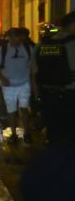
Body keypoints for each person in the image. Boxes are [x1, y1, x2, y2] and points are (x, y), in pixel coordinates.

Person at [35, 12, 75, 145]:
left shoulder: (42, 45)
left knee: (53, 130)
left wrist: (37, 95)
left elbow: (34, 72)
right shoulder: (71, 44)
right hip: (70, 93)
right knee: (69, 131)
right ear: (72, 25)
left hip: (48, 94)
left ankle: (54, 157)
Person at [0, 27, 36, 144]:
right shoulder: (3, 49)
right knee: (11, 110)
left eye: (15, 36)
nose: (13, 39)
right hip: (8, 85)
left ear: (20, 37)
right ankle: (13, 134)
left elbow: (32, 68)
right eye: (10, 37)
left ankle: (27, 133)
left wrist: (33, 84)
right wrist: (2, 79)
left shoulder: (28, 49)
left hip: (24, 83)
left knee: (24, 109)